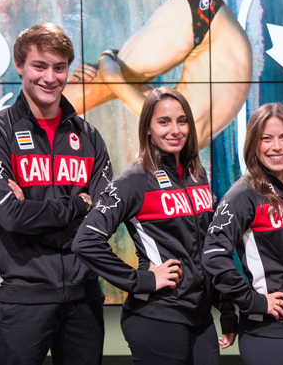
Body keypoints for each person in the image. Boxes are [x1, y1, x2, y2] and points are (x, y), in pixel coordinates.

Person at [71, 87, 237, 365]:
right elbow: (86, 241)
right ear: (147, 127)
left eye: (182, 121)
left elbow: (207, 247)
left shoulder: (197, 174)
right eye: (164, 121)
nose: (175, 130)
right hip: (158, 315)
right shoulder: (134, 179)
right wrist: (142, 281)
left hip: (200, 315)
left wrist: (226, 305)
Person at [0, 23, 112, 364]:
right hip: (23, 297)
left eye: (59, 68)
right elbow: (11, 215)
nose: (50, 78)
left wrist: (36, 208)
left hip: (84, 296)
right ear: (20, 66)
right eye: (40, 66)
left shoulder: (89, 136)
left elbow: (105, 215)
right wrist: (78, 202)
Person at [201, 103, 283, 365]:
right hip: (267, 330)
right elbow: (213, 255)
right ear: (253, 145)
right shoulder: (243, 195)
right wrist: (252, 301)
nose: (277, 147)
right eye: (266, 138)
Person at [63, 0, 252, 148]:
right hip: (202, 23)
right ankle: (38, 119)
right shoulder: (175, 124)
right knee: (101, 84)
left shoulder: (193, 134)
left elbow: (136, 88)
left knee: (115, 79)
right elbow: (112, 78)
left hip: (210, 18)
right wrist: (106, 56)